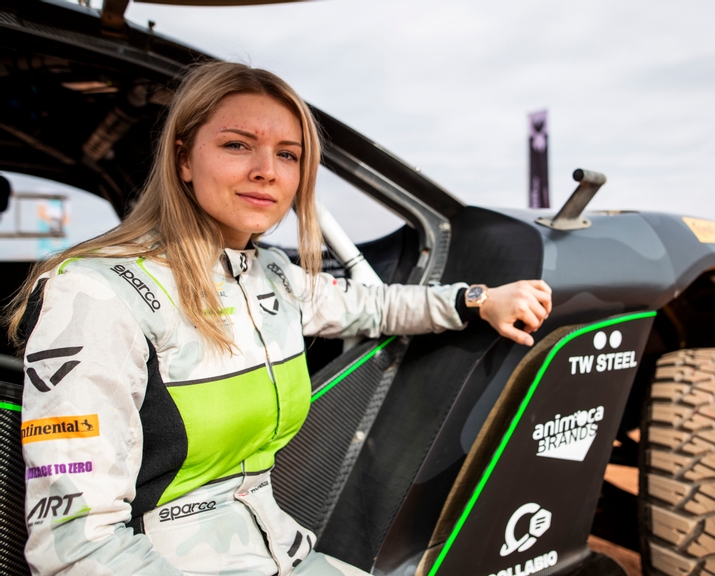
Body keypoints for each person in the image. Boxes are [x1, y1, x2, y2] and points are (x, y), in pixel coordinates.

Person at [5, 62, 552, 576]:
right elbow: (76, 550)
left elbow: (376, 304)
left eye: (288, 154)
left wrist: (479, 299)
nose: (266, 171)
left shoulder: (272, 274)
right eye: (237, 145)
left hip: (282, 548)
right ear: (183, 160)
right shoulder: (96, 294)